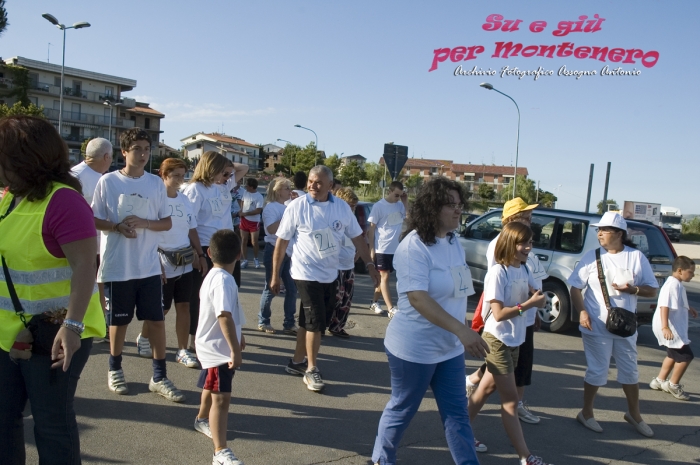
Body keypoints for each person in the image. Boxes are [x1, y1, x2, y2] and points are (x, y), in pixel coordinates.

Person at [0, 115, 106, 463]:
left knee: (51, 426)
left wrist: (72, 326)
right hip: (8, 335)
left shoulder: (63, 201)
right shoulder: (9, 199)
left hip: (54, 334)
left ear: (23, 158)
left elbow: (85, 266)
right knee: (3, 422)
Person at [372, 177, 488, 465]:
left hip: (448, 348)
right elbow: (418, 299)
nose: (458, 210)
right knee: (402, 410)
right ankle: (380, 460)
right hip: (414, 349)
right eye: (451, 204)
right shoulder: (413, 246)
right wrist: (463, 332)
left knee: (457, 414)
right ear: (433, 207)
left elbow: (458, 292)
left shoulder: (453, 242)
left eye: (460, 204)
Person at [92, 127, 186, 402]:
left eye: (147, 149)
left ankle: (159, 376)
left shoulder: (155, 184)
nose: (144, 154)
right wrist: (117, 226)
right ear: (124, 152)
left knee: (156, 321)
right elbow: (93, 219)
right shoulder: (108, 182)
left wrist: (145, 223)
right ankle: (115, 368)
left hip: (148, 267)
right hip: (117, 266)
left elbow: (166, 221)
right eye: (137, 149)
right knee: (118, 324)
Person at [271, 165, 380, 392]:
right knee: (316, 322)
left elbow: (358, 237)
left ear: (330, 185)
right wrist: (275, 276)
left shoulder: (341, 208)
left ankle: (297, 362)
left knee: (311, 320)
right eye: (310, 181)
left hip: (330, 273)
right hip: (304, 272)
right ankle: (311, 369)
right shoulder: (296, 207)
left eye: (318, 182)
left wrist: (370, 264)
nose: (313, 185)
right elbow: (281, 243)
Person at [466, 222, 552, 465]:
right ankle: (526, 457)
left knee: (485, 388)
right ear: (509, 244)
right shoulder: (497, 272)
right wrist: (529, 305)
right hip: (497, 340)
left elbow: (536, 296)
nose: (528, 248)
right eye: (523, 243)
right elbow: (499, 313)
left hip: (515, 338)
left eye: (530, 243)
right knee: (511, 400)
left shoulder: (524, 270)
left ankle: (460, 430)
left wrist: (538, 299)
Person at [568, 212, 658, 437]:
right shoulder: (592, 256)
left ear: (619, 233)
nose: (599, 233)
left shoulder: (636, 257)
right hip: (596, 324)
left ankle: (634, 415)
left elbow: (652, 289)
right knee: (598, 370)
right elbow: (575, 287)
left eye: (604, 230)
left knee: (630, 371)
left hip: (625, 326)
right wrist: (582, 312)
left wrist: (633, 290)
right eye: (598, 230)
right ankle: (586, 413)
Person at [138, 158, 205, 368]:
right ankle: (144, 337)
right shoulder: (155, 200)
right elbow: (148, 231)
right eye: (175, 175)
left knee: (184, 305)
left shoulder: (184, 200)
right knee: (162, 309)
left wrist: (200, 254)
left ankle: (182, 350)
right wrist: (154, 261)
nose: (180, 179)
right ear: (164, 175)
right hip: (162, 260)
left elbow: (191, 228)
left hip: (184, 259)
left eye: (183, 175)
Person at [183, 152, 247, 351]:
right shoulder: (196, 189)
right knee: (200, 295)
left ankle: (227, 333)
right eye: (225, 173)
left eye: (229, 174)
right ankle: (194, 339)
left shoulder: (224, 185)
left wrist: (226, 164)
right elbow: (188, 222)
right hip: (204, 245)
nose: (229, 177)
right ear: (212, 169)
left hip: (226, 243)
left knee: (229, 289)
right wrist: (196, 253)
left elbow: (243, 169)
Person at [193, 229, 246, 465]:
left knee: (211, 386)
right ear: (240, 254)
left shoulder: (215, 276)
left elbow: (231, 312)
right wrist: (234, 349)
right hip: (217, 349)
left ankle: (202, 418)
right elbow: (223, 315)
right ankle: (220, 450)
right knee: (221, 399)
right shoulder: (224, 280)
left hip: (213, 346)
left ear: (208, 252)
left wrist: (239, 335)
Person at [71, 137, 113, 319]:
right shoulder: (93, 179)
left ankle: (99, 319)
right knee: (92, 283)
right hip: (85, 243)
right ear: (106, 157)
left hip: (88, 242)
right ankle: (95, 320)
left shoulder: (73, 174)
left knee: (95, 283)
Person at [650, 255, 697, 401]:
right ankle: (673, 384)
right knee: (686, 356)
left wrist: (689, 308)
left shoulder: (677, 283)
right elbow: (665, 305)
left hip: (674, 326)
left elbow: (679, 301)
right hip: (670, 327)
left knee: (672, 354)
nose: (693, 275)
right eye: (691, 272)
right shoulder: (672, 285)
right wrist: (665, 327)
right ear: (680, 270)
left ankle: (659, 380)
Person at [257, 177, 298, 334]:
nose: (290, 191)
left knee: (292, 289)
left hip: (288, 252)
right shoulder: (271, 208)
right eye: (287, 188)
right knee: (271, 288)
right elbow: (272, 229)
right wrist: (287, 217)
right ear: (278, 191)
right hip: (274, 250)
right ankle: (263, 320)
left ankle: (289, 322)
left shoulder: (287, 206)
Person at [367, 181, 408, 317]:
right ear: (390, 191)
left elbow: (408, 219)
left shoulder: (400, 205)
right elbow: (371, 230)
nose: (398, 198)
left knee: (382, 278)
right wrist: (372, 249)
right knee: (385, 277)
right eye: (396, 195)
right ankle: (391, 308)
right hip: (382, 247)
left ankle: (374, 302)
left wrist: (405, 201)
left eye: (400, 195)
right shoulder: (379, 206)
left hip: (395, 249)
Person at [328, 187, 360, 338]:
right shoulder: (334, 218)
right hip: (336, 265)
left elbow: (360, 239)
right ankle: (322, 325)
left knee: (346, 299)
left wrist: (359, 252)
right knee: (334, 298)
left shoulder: (353, 220)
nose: (352, 208)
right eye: (350, 205)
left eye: (354, 205)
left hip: (349, 265)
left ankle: (337, 326)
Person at [239, 178, 264, 269]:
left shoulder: (259, 196)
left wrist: (246, 213)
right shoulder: (245, 193)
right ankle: (245, 260)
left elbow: (258, 210)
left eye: (247, 185)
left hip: (254, 221)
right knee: (244, 240)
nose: (245, 187)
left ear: (251, 187)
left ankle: (256, 258)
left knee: (254, 241)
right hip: (244, 220)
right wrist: (241, 211)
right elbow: (242, 201)